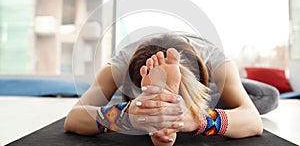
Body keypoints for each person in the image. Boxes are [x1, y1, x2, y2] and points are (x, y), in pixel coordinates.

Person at [64, 32, 277, 146]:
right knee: (130, 106)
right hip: (139, 100)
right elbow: (73, 118)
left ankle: (186, 106)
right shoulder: (120, 64)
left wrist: (196, 119)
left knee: (268, 96)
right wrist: (128, 117)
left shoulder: (215, 59)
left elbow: (253, 120)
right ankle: (150, 107)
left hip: (208, 92)